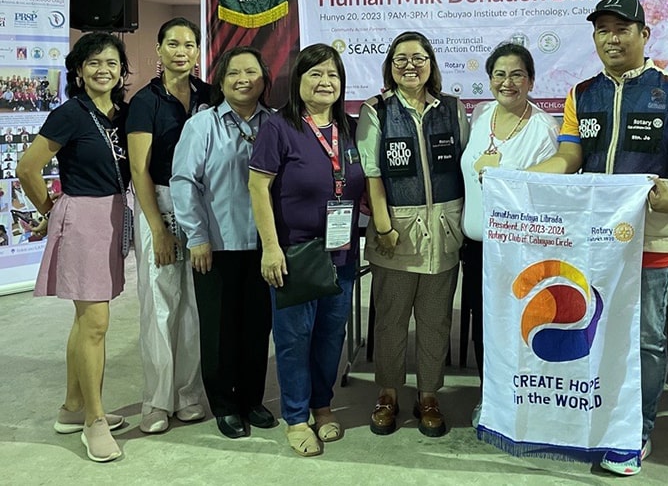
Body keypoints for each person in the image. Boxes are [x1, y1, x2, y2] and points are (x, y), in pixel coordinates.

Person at [529, 0, 668, 476]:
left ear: (644, 35)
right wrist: (528, 180)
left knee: (648, 339)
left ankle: (635, 432)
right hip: (594, 238)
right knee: (592, 330)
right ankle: (597, 420)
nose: (611, 38)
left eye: (622, 29)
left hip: (652, 238)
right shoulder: (582, 93)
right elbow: (570, 157)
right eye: (603, 31)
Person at [15, 32, 131, 462]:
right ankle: (94, 421)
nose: (104, 70)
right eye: (95, 63)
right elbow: (28, 168)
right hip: (82, 217)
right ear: (79, 72)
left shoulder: (120, 115)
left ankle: (71, 408)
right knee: (96, 323)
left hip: (114, 214)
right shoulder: (70, 114)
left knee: (86, 322)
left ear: (122, 71)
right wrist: (51, 208)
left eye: (112, 63)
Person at [249, 44, 365, 456]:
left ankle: (323, 405)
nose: (325, 82)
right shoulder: (279, 128)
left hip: (342, 255)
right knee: (295, 339)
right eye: (315, 74)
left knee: (331, 337)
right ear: (298, 81)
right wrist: (270, 248)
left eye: (332, 74)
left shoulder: (350, 128)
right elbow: (258, 187)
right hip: (295, 256)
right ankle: (296, 417)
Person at [356, 31, 469, 438]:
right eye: (401, 59)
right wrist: (383, 227)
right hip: (396, 233)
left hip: (444, 231)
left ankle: (428, 395)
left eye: (418, 58)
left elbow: (466, 167)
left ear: (431, 64)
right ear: (390, 66)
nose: (410, 66)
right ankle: (387, 393)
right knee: (390, 319)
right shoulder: (377, 111)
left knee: (436, 320)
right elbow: (372, 174)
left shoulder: (453, 109)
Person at [170, 47, 275, 440]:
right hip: (216, 245)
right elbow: (184, 183)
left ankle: (252, 399)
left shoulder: (277, 124)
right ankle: (225, 405)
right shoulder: (202, 126)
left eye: (252, 71)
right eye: (234, 72)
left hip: (265, 247)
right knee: (219, 331)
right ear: (221, 80)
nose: (243, 79)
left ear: (264, 79)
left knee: (256, 327)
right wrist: (196, 237)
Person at [459, 42, 559, 427]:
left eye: (517, 74)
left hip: (520, 252)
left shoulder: (544, 128)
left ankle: (525, 403)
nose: (507, 82)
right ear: (489, 80)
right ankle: (493, 398)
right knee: (484, 328)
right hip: (477, 248)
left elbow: (551, 194)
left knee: (521, 328)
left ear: (531, 80)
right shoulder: (481, 116)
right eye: (499, 74)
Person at [126, 17, 209, 434]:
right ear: (158, 50)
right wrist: (157, 228)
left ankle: (189, 393)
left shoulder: (209, 96)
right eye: (173, 43)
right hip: (158, 201)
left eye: (190, 44)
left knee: (194, 305)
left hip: (201, 205)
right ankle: (157, 401)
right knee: (160, 304)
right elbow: (139, 170)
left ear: (198, 51)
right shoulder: (145, 101)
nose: (182, 51)